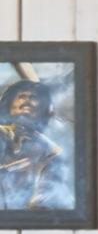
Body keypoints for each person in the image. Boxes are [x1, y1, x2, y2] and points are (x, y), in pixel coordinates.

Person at [0, 79, 67, 212]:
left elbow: (47, 196)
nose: (27, 101)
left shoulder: (51, 152)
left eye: (33, 98)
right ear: (9, 104)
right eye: (21, 96)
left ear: (43, 108)